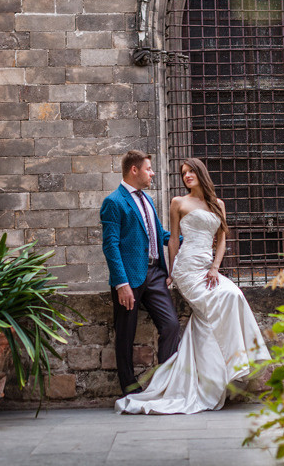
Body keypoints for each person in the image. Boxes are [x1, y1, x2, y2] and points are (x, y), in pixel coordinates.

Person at [115, 158, 270, 414]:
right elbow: (173, 240)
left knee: (232, 296)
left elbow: (221, 239)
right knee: (222, 302)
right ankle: (229, 368)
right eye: (183, 173)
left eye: (190, 172)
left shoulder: (218, 204)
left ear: (200, 173)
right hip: (187, 270)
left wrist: (215, 268)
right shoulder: (178, 202)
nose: (186, 176)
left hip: (208, 269)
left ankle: (216, 378)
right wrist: (173, 272)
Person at [101, 150, 181, 395]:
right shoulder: (113, 202)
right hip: (129, 279)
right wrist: (121, 283)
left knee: (171, 325)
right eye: (149, 168)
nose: (152, 173)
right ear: (134, 170)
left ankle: (164, 381)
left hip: (155, 274)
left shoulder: (147, 200)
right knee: (125, 334)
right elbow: (110, 245)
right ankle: (129, 387)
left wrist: (191, 239)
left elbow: (160, 235)